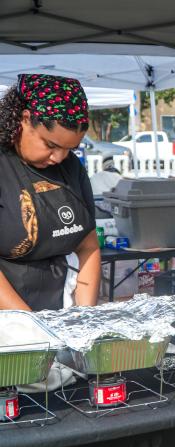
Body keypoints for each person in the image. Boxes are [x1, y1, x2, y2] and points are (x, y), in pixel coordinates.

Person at [0, 74, 100, 311]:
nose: (59, 158)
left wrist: (84, 315)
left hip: (55, 309)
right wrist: (29, 325)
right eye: (51, 145)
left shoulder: (71, 167)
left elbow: (88, 246)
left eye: (70, 148)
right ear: (25, 120)